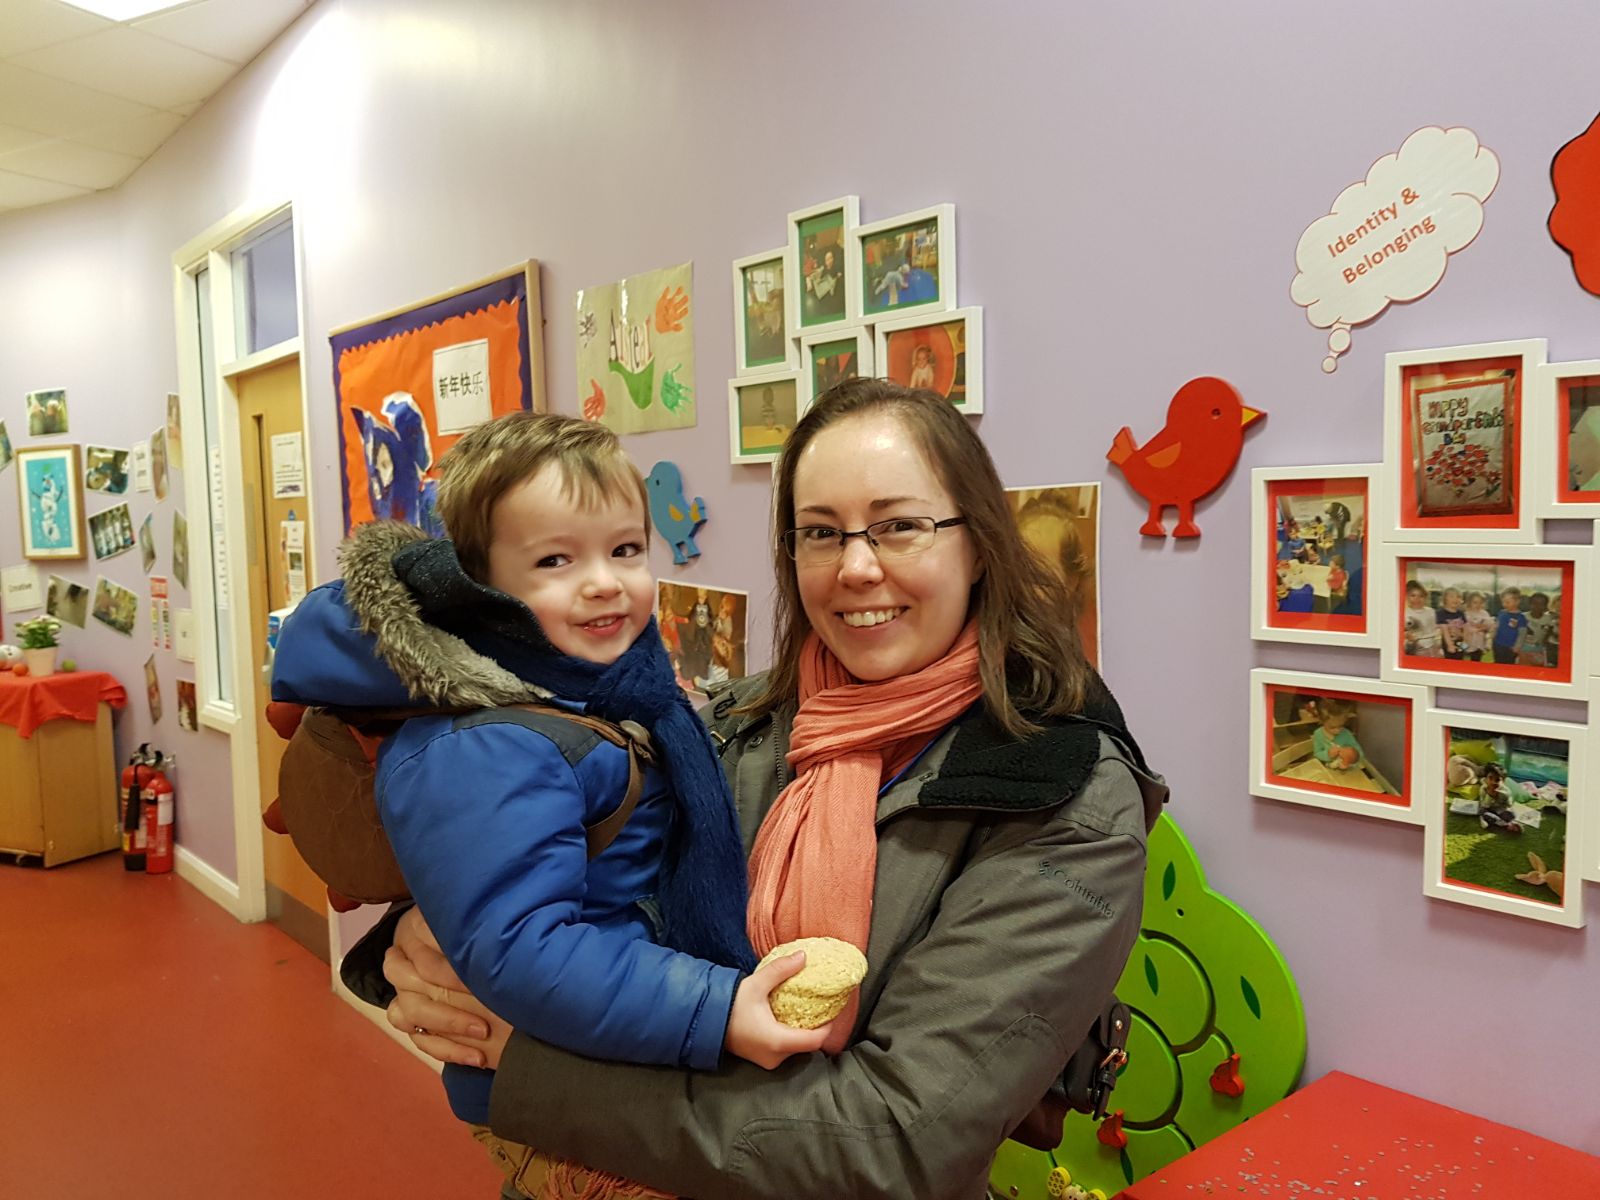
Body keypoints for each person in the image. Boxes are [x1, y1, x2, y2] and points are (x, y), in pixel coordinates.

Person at [372, 379, 1167, 1199]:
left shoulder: (1060, 798)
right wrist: (427, 943)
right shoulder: (726, 724)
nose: (856, 567)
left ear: (979, 543)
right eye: (820, 533)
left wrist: (532, 1063)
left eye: (900, 525)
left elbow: (894, 1142)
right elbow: (557, 858)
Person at [270, 412, 828, 1198]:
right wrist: (718, 1007)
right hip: (559, 1078)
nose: (603, 581)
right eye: (555, 560)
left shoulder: (600, 691)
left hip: (616, 1042)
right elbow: (525, 950)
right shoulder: (492, 742)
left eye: (624, 549)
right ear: (482, 589)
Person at [1310, 697, 1363, 771]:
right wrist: (1328, 754)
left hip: (1345, 770)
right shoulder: (1318, 734)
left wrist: (1348, 762)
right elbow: (1317, 753)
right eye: (1332, 727)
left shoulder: (1346, 733)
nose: (1337, 731)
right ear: (1322, 721)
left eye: (1341, 726)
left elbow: (1359, 753)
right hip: (1325, 769)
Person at [1403, 581, 1441, 656]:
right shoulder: (1404, 612)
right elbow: (1400, 632)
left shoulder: (1431, 611)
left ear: (1425, 597)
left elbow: (1435, 629)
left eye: (1421, 596)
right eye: (1413, 595)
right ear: (1407, 596)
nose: (1417, 599)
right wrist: (1406, 635)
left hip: (1432, 646)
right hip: (1414, 648)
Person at [1492, 586, 1529, 665]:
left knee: (1508, 664)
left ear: (1517, 601)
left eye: (1507, 602)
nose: (1504, 604)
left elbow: (1522, 634)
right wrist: (1493, 634)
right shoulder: (1501, 612)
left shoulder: (1521, 617)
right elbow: (1497, 625)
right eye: (1503, 602)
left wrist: (1517, 646)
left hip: (1511, 647)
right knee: (1498, 662)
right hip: (1498, 644)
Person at [1461, 590, 1495, 660]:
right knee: (1462, 656)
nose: (1478, 605)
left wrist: (1484, 627)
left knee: (1476, 658)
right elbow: (1463, 627)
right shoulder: (1466, 614)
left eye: (1481, 603)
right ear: (1469, 603)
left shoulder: (1484, 613)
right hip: (1467, 641)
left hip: (1479, 642)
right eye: (1475, 602)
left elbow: (1490, 625)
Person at [1435, 587, 1467, 659]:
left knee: (1460, 659)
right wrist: (1450, 645)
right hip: (1448, 644)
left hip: (1460, 642)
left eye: (1458, 597)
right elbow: (1445, 631)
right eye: (1452, 596)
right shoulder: (1441, 613)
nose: (1455, 599)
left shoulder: (1461, 613)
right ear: (1445, 599)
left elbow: (1465, 628)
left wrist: (1465, 642)